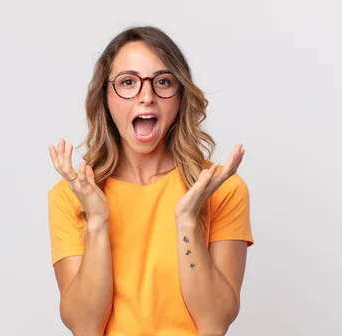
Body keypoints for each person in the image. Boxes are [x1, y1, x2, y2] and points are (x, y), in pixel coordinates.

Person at [47, 26, 254, 336]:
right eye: (128, 82)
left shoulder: (221, 189)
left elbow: (214, 324)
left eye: (162, 82)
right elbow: (85, 327)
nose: (146, 97)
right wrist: (97, 222)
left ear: (180, 96)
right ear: (105, 98)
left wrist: (187, 221)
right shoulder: (70, 196)